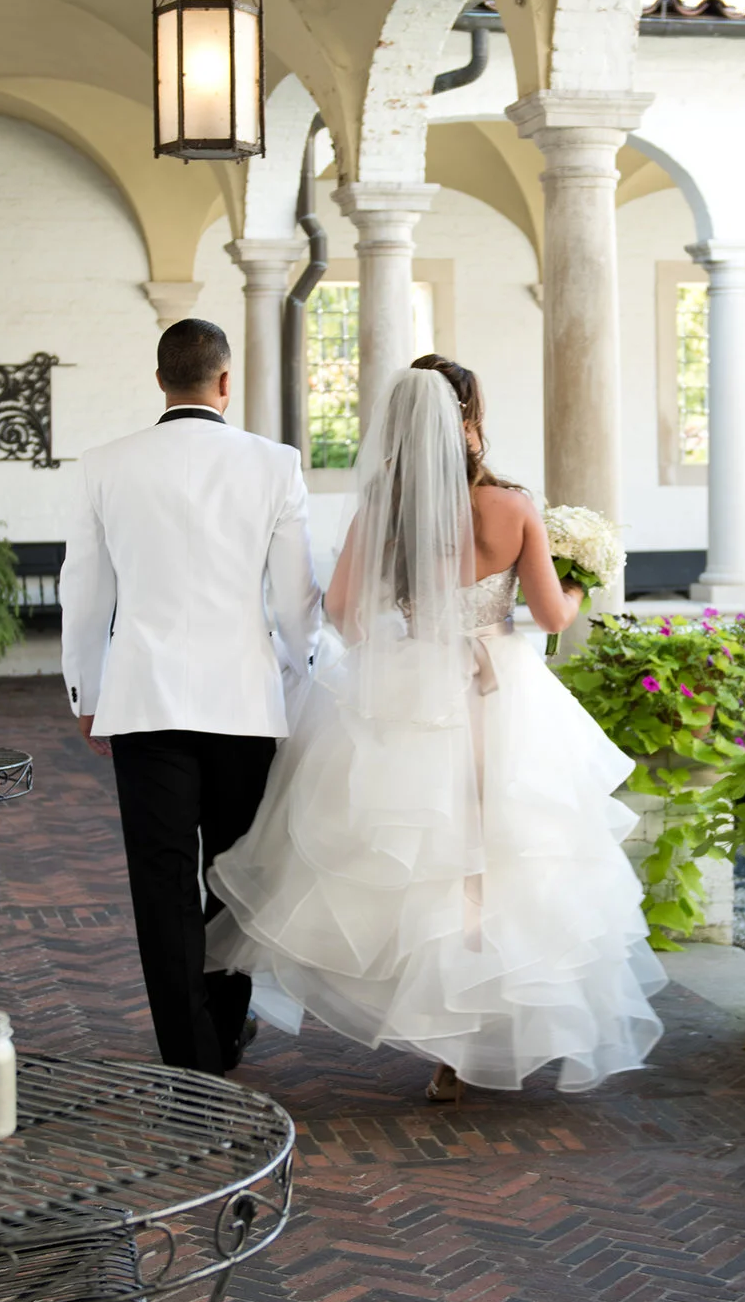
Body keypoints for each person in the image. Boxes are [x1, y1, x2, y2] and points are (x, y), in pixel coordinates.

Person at [207, 356, 663, 1102]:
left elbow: (346, 613)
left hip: (415, 691)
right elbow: (552, 618)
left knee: (426, 870)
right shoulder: (514, 507)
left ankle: (447, 1047)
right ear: (471, 418)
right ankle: (488, 1038)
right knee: (512, 861)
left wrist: (410, 619)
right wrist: (577, 578)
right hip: (504, 694)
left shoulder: (387, 504)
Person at [59, 318, 321, 1074]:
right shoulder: (275, 465)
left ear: (160, 379)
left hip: (144, 702)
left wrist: (88, 690)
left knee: (162, 880)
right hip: (243, 702)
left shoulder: (105, 465)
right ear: (225, 380)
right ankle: (226, 1027)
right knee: (235, 873)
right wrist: (298, 675)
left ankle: (190, 1051)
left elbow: (84, 593)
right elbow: (295, 600)